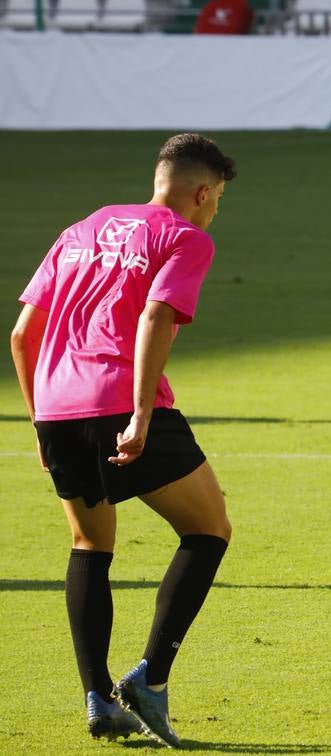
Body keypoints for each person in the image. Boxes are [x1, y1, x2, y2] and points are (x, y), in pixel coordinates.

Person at [9, 133, 237, 747]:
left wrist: (39, 422)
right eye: (217, 201)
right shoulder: (187, 238)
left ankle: (96, 697)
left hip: (56, 408)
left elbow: (22, 335)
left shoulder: (82, 229)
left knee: (89, 546)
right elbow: (156, 316)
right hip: (118, 401)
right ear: (202, 192)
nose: (214, 211)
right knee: (209, 529)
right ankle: (150, 680)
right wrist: (139, 416)